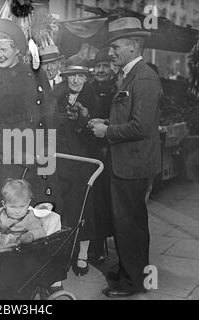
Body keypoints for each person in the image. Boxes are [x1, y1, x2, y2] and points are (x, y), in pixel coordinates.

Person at [90, 17, 162, 297]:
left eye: (117, 46)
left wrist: (106, 131)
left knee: (127, 225)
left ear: (133, 45)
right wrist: (106, 120)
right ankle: (134, 274)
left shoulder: (142, 77)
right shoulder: (132, 74)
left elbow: (140, 127)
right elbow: (129, 117)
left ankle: (132, 283)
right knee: (133, 222)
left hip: (131, 164)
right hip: (130, 161)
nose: (112, 52)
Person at [0, 19, 62, 215]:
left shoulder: (36, 74)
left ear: (17, 49)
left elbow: (51, 115)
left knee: (43, 216)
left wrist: (48, 149)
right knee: (12, 219)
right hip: (9, 167)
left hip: (41, 161)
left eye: (3, 50)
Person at [53, 55, 97, 277]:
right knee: (62, 206)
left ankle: (83, 255)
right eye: (73, 76)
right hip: (60, 159)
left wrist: (84, 120)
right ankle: (62, 253)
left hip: (83, 161)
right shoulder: (57, 95)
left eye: (81, 76)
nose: (76, 81)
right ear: (67, 77)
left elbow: (96, 136)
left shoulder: (93, 97)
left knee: (83, 206)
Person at [88, 48, 117, 264]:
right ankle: (92, 243)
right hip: (89, 151)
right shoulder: (88, 88)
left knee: (106, 200)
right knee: (91, 199)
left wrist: (105, 124)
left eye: (105, 66)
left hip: (110, 152)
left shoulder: (117, 89)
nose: (100, 70)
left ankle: (100, 245)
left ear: (111, 68)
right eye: (98, 66)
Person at [0, 179, 46, 244]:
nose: (18, 211)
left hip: (19, 251)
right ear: (4, 204)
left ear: (28, 203)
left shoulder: (30, 217)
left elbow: (41, 231)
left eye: (22, 206)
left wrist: (31, 235)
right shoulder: (0, 213)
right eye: (13, 207)